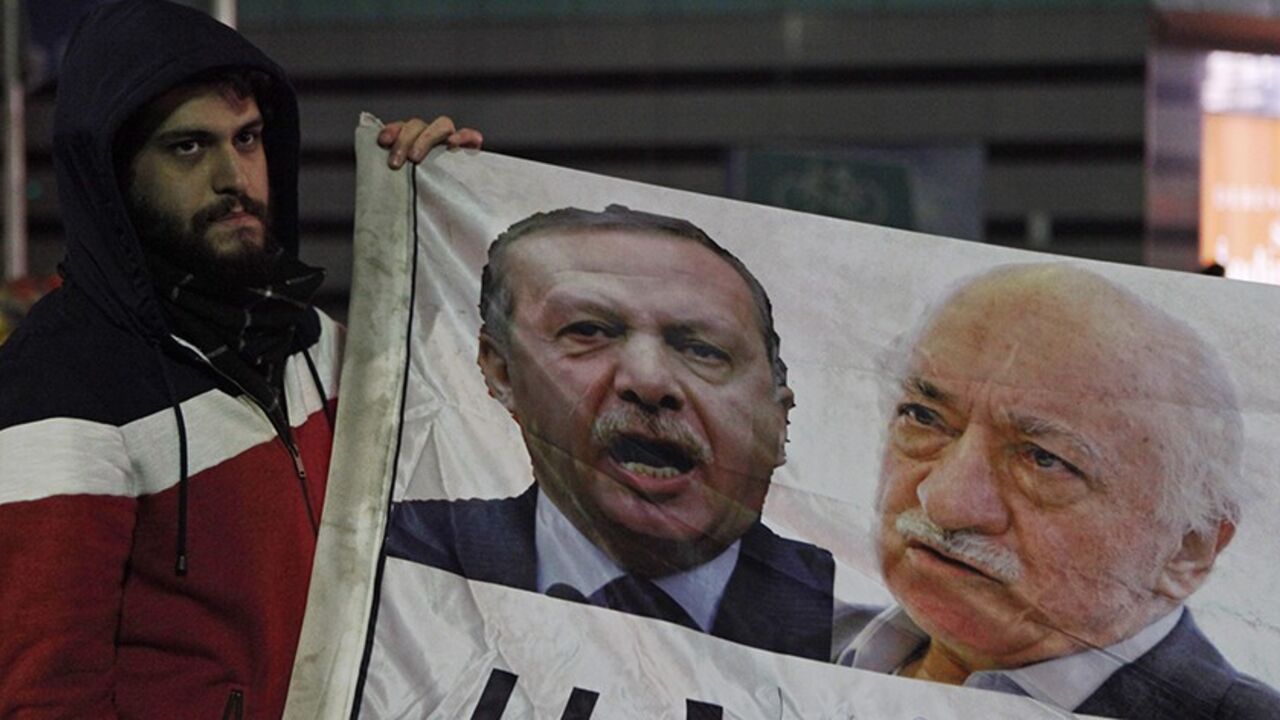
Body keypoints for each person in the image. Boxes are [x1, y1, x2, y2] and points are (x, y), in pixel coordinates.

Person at [0, 1, 480, 717]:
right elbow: (45, 698)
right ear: (112, 172)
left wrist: (458, 219)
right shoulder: (60, 386)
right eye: (188, 148)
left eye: (249, 138)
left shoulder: (313, 339)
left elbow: (484, 463)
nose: (234, 177)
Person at [385, 205, 836, 660]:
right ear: (502, 371)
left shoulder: (876, 630)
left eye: (704, 350)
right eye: (589, 331)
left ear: (779, 424)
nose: (649, 381)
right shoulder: (391, 553)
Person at [836, 263, 1280, 718]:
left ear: (1188, 548)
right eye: (923, 417)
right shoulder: (789, 632)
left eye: (1044, 459)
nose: (945, 502)